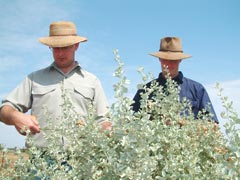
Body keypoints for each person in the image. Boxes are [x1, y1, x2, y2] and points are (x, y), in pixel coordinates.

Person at [0, 21, 111, 147]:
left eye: (65, 47)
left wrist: (109, 130)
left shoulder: (92, 81)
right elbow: (4, 110)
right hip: (41, 160)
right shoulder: (34, 78)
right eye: (55, 48)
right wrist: (15, 116)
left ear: (76, 46)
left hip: (81, 160)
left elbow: (103, 120)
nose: (60, 53)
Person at [132, 37, 218, 123]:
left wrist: (181, 123)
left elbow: (213, 126)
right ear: (159, 59)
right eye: (165, 59)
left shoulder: (197, 89)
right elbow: (131, 123)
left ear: (180, 60)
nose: (168, 64)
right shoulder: (145, 91)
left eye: (173, 60)